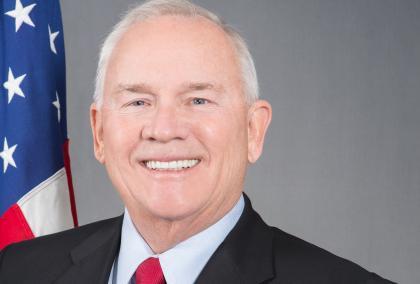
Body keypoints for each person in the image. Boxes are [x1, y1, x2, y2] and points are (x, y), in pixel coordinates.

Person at [0, 0, 395, 283]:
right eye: (139, 100)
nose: (165, 128)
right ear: (99, 133)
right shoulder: (17, 270)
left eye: (199, 100)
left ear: (253, 130)